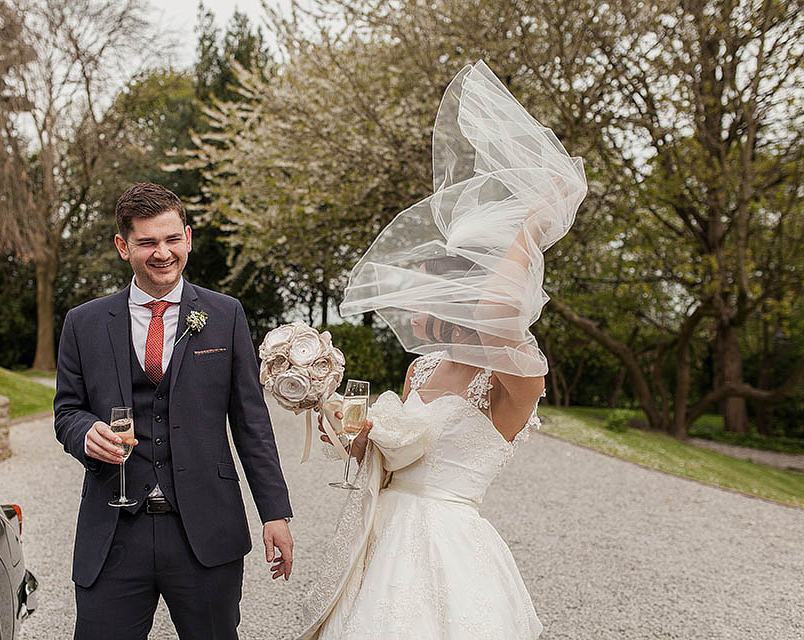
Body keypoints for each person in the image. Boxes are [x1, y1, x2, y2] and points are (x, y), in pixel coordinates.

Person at [298, 61, 587, 639]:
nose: (423, 301)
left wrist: (528, 231)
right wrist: (348, 432)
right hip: (380, 535)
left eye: (438, 288)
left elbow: (497, 314)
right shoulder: (423, 367)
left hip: (451, 546)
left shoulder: (517, 376)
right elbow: (385, 462)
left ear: (469, 292)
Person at [54, 183, 294, 640]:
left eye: (171, 239)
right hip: (114, 532)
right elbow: (67, 411)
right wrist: (85, 433)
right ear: (123, 246)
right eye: (147, 242)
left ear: (187, 237)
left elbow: (251, 423)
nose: (162, 253)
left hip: (205, 530)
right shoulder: (83, 324)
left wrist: (274, 513)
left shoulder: (225, 315)